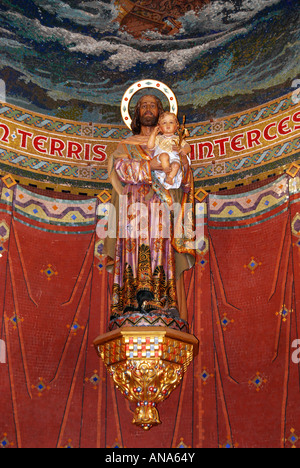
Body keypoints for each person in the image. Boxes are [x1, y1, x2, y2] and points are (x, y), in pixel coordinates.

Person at [104, 94, 195, 322]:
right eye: (143, 105)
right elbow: (120, 171)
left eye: (152, 105)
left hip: (161, 207)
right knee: (133, 252)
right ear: (136, 113)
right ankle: (130, 302)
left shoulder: (173, 142)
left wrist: (181, 166)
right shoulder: (126, 144)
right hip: (134, 210)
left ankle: (163, 301)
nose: (147, 109)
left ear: (161, 112)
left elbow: (184, 180)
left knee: (161, 250)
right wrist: (149, 166)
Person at [147, 111, 191, 189]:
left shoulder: (178, 139)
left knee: (176, 165)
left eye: (171, 122)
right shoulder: (158, 138)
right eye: (164, 123)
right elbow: (150, 146)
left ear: (176, 126)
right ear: (159, 127)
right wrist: (153, 133)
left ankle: (170, 177)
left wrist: (184, 150)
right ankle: (166, 169)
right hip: (161, 161)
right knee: (164, 156)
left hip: (174, 159)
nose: (168, 125)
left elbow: (188, 147)